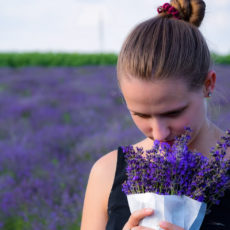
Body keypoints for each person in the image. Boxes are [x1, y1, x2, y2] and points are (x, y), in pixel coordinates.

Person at [81, 0, 230, 229]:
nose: (159, 134)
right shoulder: (106, 173)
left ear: (207, 84)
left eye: (173, 112)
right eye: (141, 114)